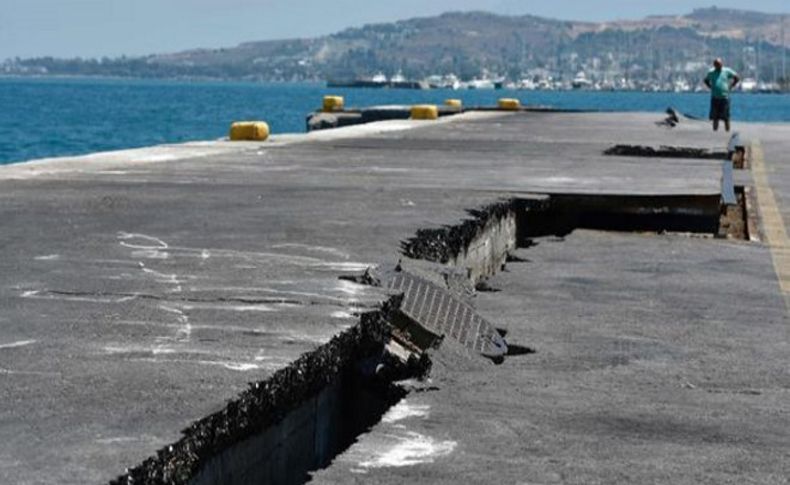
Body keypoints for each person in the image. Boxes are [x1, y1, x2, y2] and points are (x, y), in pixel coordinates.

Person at [704, 58, 740, 132]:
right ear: (714, 65)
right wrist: (710, 87)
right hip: (715, 97)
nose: (718, 66)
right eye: (716, 65)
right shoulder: (711, 72)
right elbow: (706, 80)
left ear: (721, 64)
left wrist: (731, 85)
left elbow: (736, 77)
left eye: (719, 64)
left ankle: (727, 131)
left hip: (724, 97)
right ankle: (715, 131)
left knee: (726, 117)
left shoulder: (726, 71)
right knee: (715, 117)